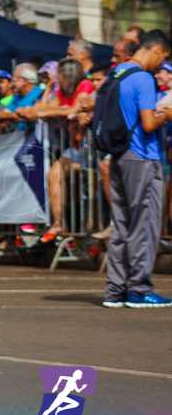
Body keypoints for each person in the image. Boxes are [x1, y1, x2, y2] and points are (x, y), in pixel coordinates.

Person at [104, 30, 172, 308]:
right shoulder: (142, 77)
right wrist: (166, 114)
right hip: (143, 156)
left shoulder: (117, 73)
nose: (161, 65)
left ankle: (115, 289)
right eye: (164, 57)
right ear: (156, 49)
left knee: (121, 225)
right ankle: (139, 289)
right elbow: (148, 123)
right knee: (144, 224)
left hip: (118, 154)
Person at [35, 59, 94, 244]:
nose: (56, 77)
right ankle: (58, 224)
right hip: (75, 149)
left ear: (66, 74)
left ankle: (91, 235)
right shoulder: (61, 90)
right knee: (54, 174)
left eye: (58, 74)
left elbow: (78, 108)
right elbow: (42, 112)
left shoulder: (85, 84)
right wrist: (50, 89)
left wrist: (66, 110)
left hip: (93, 149)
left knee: (91, 193)